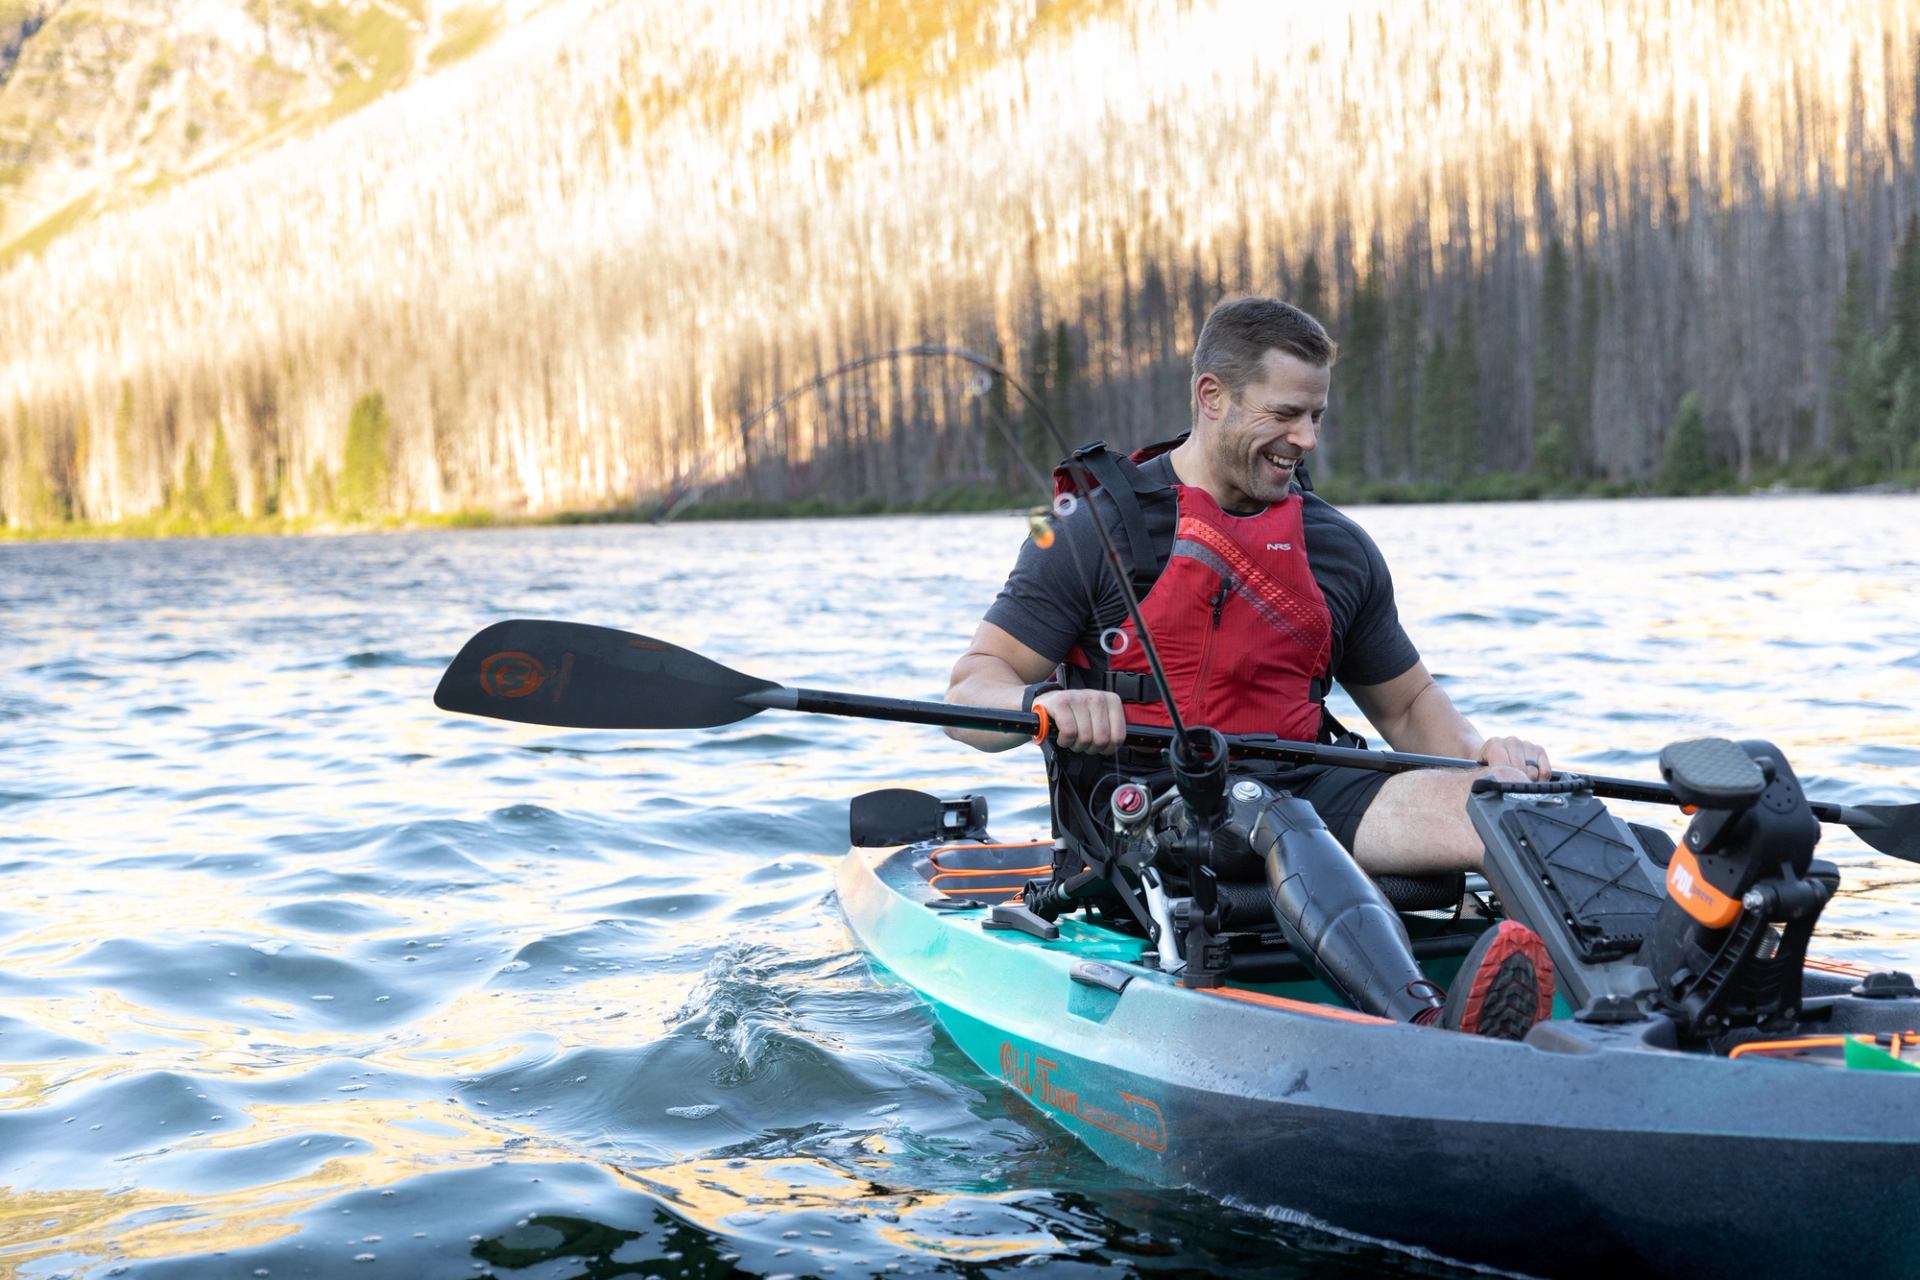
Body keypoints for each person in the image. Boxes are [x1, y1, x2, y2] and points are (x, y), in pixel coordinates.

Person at [946, 296, 1555, 1038]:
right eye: (1287, 414)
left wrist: (1485, 759)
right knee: (1274, 811)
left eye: (1317, 417)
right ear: (1213, 397)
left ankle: (1653, 1002)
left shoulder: (1339, 546)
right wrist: (1042, 702)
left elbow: (1407, 707)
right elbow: (972, 685)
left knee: (1514, 812)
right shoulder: (1079, 525)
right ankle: (1426, 1031)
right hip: (1148, 810)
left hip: (1308, 782)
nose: (1306, 438)